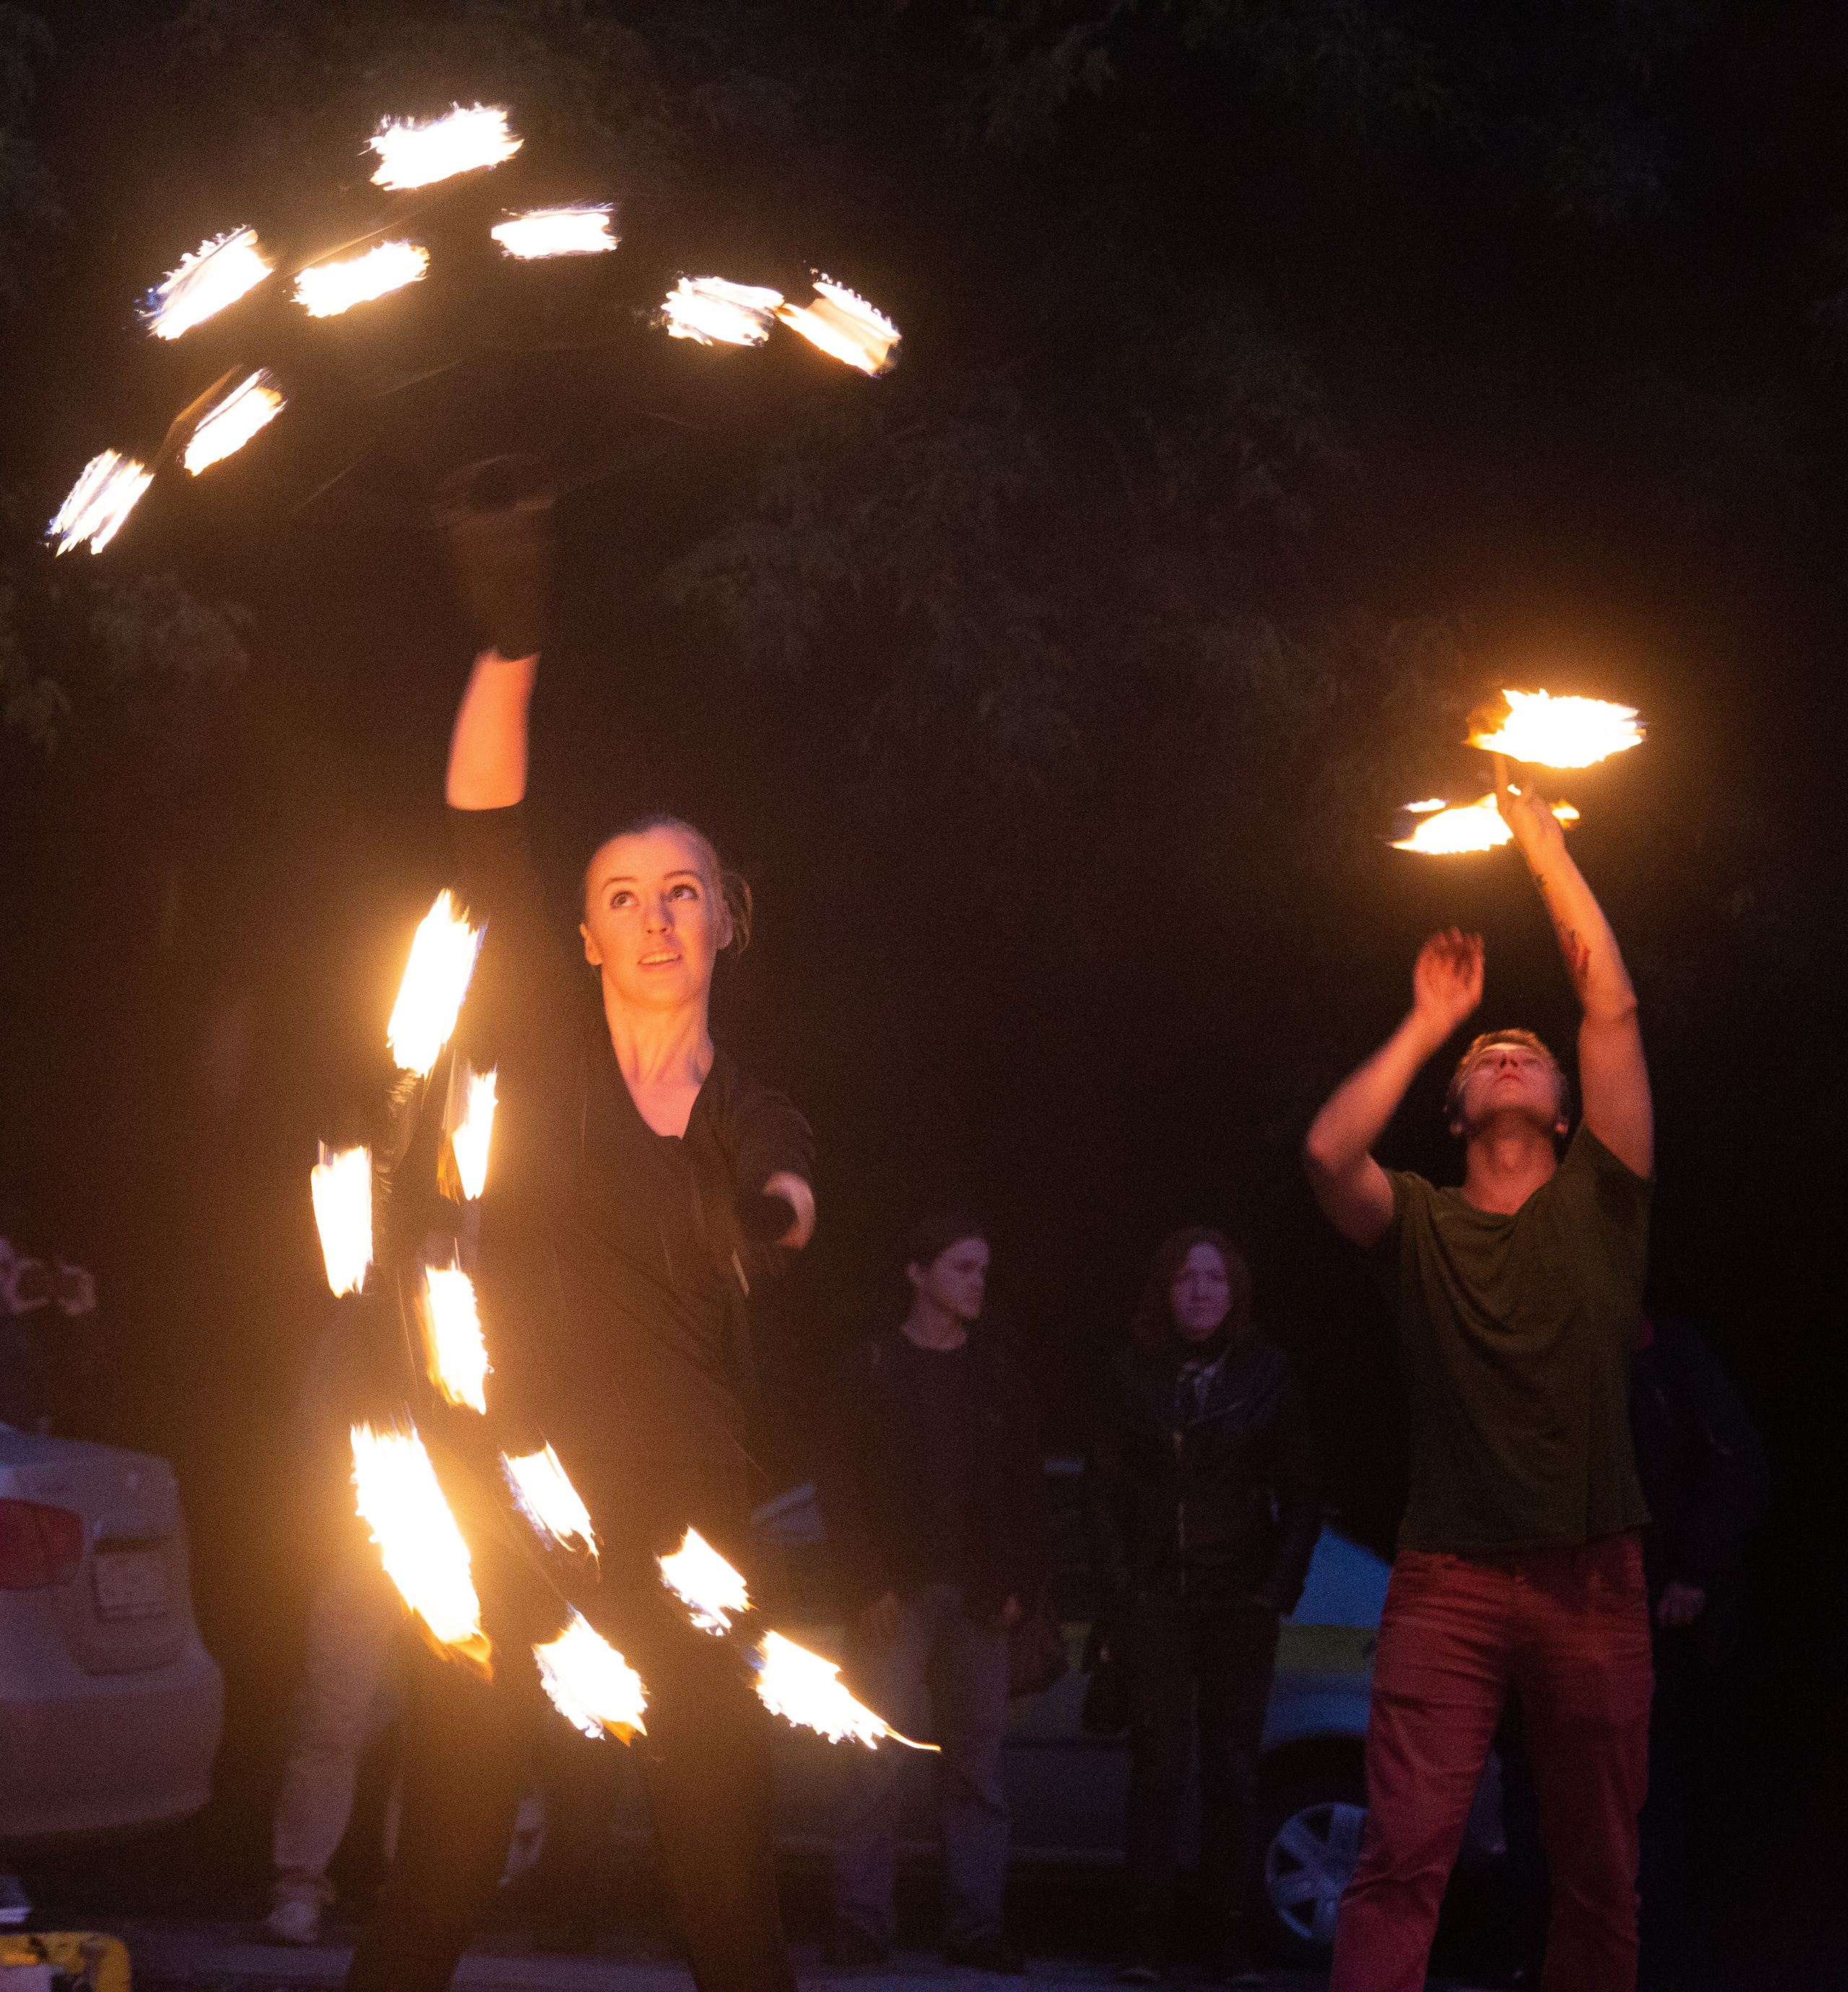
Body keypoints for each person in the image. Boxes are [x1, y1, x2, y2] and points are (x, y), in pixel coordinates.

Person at [344, 460, 816, 1992]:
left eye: (684, 891)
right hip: (516, 1508)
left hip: (687, 1514)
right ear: (588, 932)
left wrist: (766, 1219)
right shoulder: (541, 1054)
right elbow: (485, 823)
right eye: (624, 893)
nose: (657, 914)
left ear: (726, 919)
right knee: (442, 1876)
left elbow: (791, 1197)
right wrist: (510, 637)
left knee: (725, 1891)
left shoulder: (756, 1105)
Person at [1302, 755, 1656, 1992]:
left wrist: (1541, 840)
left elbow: (1605, 1007)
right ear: (1457, 1110)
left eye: (1526, 1051)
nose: (1512, 1055)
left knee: (1601, 1875)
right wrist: (1430, 1021)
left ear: (1564, 1110)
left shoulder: (1607, 1201)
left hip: (1593, 1575)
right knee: (1402, 1865)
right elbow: (1326, 1146)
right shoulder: (1418, 1225)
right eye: (1487, 1057)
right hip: (1448, 1582)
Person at [1497, 1306, 1770, 1988]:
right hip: (1547, 1607)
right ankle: (1542, 1953)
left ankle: (1641, 1959)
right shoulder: (1523, 1348)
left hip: (1643, 1609)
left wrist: (1695, 1571)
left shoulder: (1666, 1354)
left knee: (1640, 1784)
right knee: (1537, 1784)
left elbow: (1739, 1465)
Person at [1084, 1227, 1321, 1987]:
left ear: (1234, 1291)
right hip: (1157, 1599)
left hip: (1236, 1603)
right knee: (1158, 1769)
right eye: (1186, 1277)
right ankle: (1142, 1942)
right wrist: (1122, 1594)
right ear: (1165, 1290)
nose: (1199, 1291)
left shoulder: (1266, 1375)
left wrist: (1270, 1592)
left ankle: (1225, 1940)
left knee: (1231, 1774)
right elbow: (1099, 1492)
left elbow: (1303, 1493)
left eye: (1214, 1279)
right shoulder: (1131, 1374)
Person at [819, 1215, 1048, 1973]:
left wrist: (1018, 1584)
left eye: (983, 1269)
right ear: (918, 1273)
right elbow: (840, 1484)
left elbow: (1023, 1485)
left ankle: (976, 1927)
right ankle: (861, 1923)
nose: (976, 1281)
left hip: (978, 1596)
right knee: (872, 1762)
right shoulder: (873, 1366)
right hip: (894, 1593)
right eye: (961, 1267)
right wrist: (865, 1581)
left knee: (977, 1770)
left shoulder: (997, 1372)